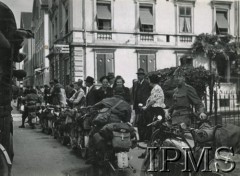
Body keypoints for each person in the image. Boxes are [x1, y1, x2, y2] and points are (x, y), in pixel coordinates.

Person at [86, 87, 132, 164]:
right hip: (118, 126)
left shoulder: (107, 100)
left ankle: (92, 157)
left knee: (92, 134)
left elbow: (94, 107)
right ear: (123, 94)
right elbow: (127, 120)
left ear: (114, 93)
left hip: (106, 124)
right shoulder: (127, 105)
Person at [138, 74, 166, 158]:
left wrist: (146, 107)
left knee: (153, 132)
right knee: (152, 132)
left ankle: (150, 152)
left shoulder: (156, 88)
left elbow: (152, 101)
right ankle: (150, 152)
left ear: (152, 80)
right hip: (156, 111)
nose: (148, 81)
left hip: (156, 111)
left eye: (149, 79)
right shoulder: (156, 88)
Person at [132, 68, 151, 141]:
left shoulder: (147, 83)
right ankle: (140, 137)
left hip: (144, 106)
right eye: (138, 75)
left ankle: (145, 137)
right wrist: (135, 104)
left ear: (143, 75)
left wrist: (145, 105)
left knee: (145, 121)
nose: (139, 76)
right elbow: (134, 93)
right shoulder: (135, 83)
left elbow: (148, 94)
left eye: (140, 75)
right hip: (137, 106)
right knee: (138, 122)